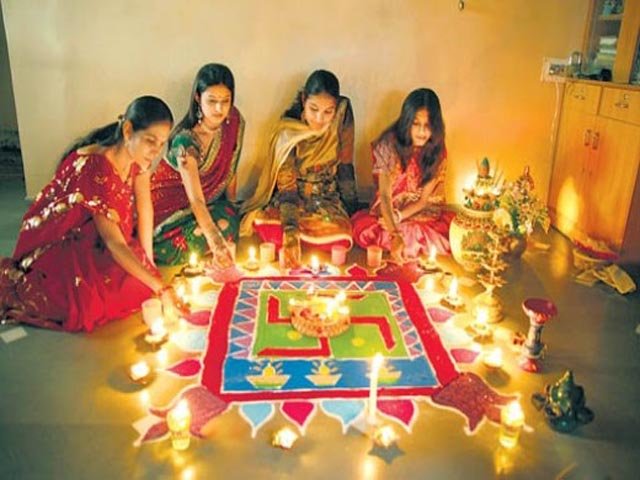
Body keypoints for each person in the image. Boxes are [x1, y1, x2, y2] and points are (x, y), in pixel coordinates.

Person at [0, 96, 185, 332]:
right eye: (150, 141)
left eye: (162, 143)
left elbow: (145, 208)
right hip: (70, 242)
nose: (156, 151)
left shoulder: (139, 158)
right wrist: (159, 286)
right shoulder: (97, 169)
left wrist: (149, 268)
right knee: (88, 304)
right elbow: (114, 243)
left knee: (140, 284)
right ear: (128, 130)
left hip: (105, 238)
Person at [240, 69, 357, 267]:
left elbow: (345, 164)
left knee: (343, 235)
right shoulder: (288, 131)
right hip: (294, 201)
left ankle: (310, 240)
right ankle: (304, 240)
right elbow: (286, 188)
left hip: (325, 201)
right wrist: (291, 230)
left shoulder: (343, 114)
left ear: (336, 108)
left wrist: (352, 209)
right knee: (263, 224)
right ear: (304, 100)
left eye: (328, 111)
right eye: (314, 109)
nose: (320, 118)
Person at [151, 64, 243, 266]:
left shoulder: (233, 121)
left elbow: (230, 170)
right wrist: (216, 241)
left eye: (225, 101)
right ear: (197, 98)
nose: (219, 109)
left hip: (206, 207)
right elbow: (196, 201)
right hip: (169, 214)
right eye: (211, 101)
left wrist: (231, 207)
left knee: (230, 221)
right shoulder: (186, 143)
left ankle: (212, 237)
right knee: (193, 238)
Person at [352, 88, 454, 262]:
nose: (422, 132)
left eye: (428, 125)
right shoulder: (389, 145)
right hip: (389, 208)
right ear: (406, 121)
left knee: (434, 236)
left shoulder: (437, 150)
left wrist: (400, 217)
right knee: (369, 231)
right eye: (416, 124)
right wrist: (394, 232)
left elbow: (423, 201)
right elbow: (385, 195)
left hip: (420, 212)